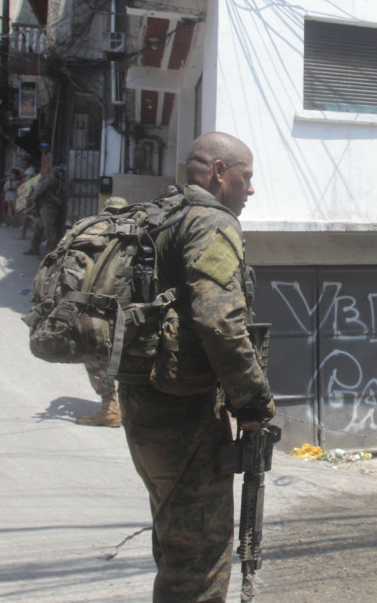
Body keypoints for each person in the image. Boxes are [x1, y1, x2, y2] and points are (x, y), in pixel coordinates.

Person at [115, 132, 274, 602]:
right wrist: (253, 401)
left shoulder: (163, 215)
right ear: (220, 172)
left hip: (143, 403)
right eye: (245, 178)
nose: (250, 190)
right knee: (200, 557)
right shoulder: (209, 222)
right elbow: (218, 318)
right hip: (181, 415)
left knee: (176, 540)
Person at [74, 196, 130, 429]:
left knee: (95, 357)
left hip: (99, 309)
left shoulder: (95, 232)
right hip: (128, 311)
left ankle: (110, 406)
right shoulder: (133, 233)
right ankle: (125, 406)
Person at [24, 167, 64, 256]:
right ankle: (34, 248)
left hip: (48, 208)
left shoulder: (50, 181)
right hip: (48, 208)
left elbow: (39, 191)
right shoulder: (58, 183)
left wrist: (32, 199)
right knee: (38, 227)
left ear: (52, 173)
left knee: (49, 230)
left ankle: (50, 253)